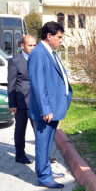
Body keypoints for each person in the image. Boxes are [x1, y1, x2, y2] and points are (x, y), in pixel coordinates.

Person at [28, 21, 72, 189]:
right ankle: (44, 177)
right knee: (42, 143)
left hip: (52, 109)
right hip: (45, 111)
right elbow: (38, 84)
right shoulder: (39, 53)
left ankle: (46, 170)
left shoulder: (49, 52)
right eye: (59, 37)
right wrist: (45, 109)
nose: (61, 40)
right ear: (49, 36)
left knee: (47, 144)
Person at [8, 35, 36, 165]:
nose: (33, 48)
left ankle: (43, 156)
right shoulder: (15, 61)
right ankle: (20, 155)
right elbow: (11, 84)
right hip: (21, 102)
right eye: (30, 45)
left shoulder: (37, 58)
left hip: (36, 102)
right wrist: (12, 104)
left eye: (34, 45)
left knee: (39, 130)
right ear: (22, 46)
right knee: (20, 130)